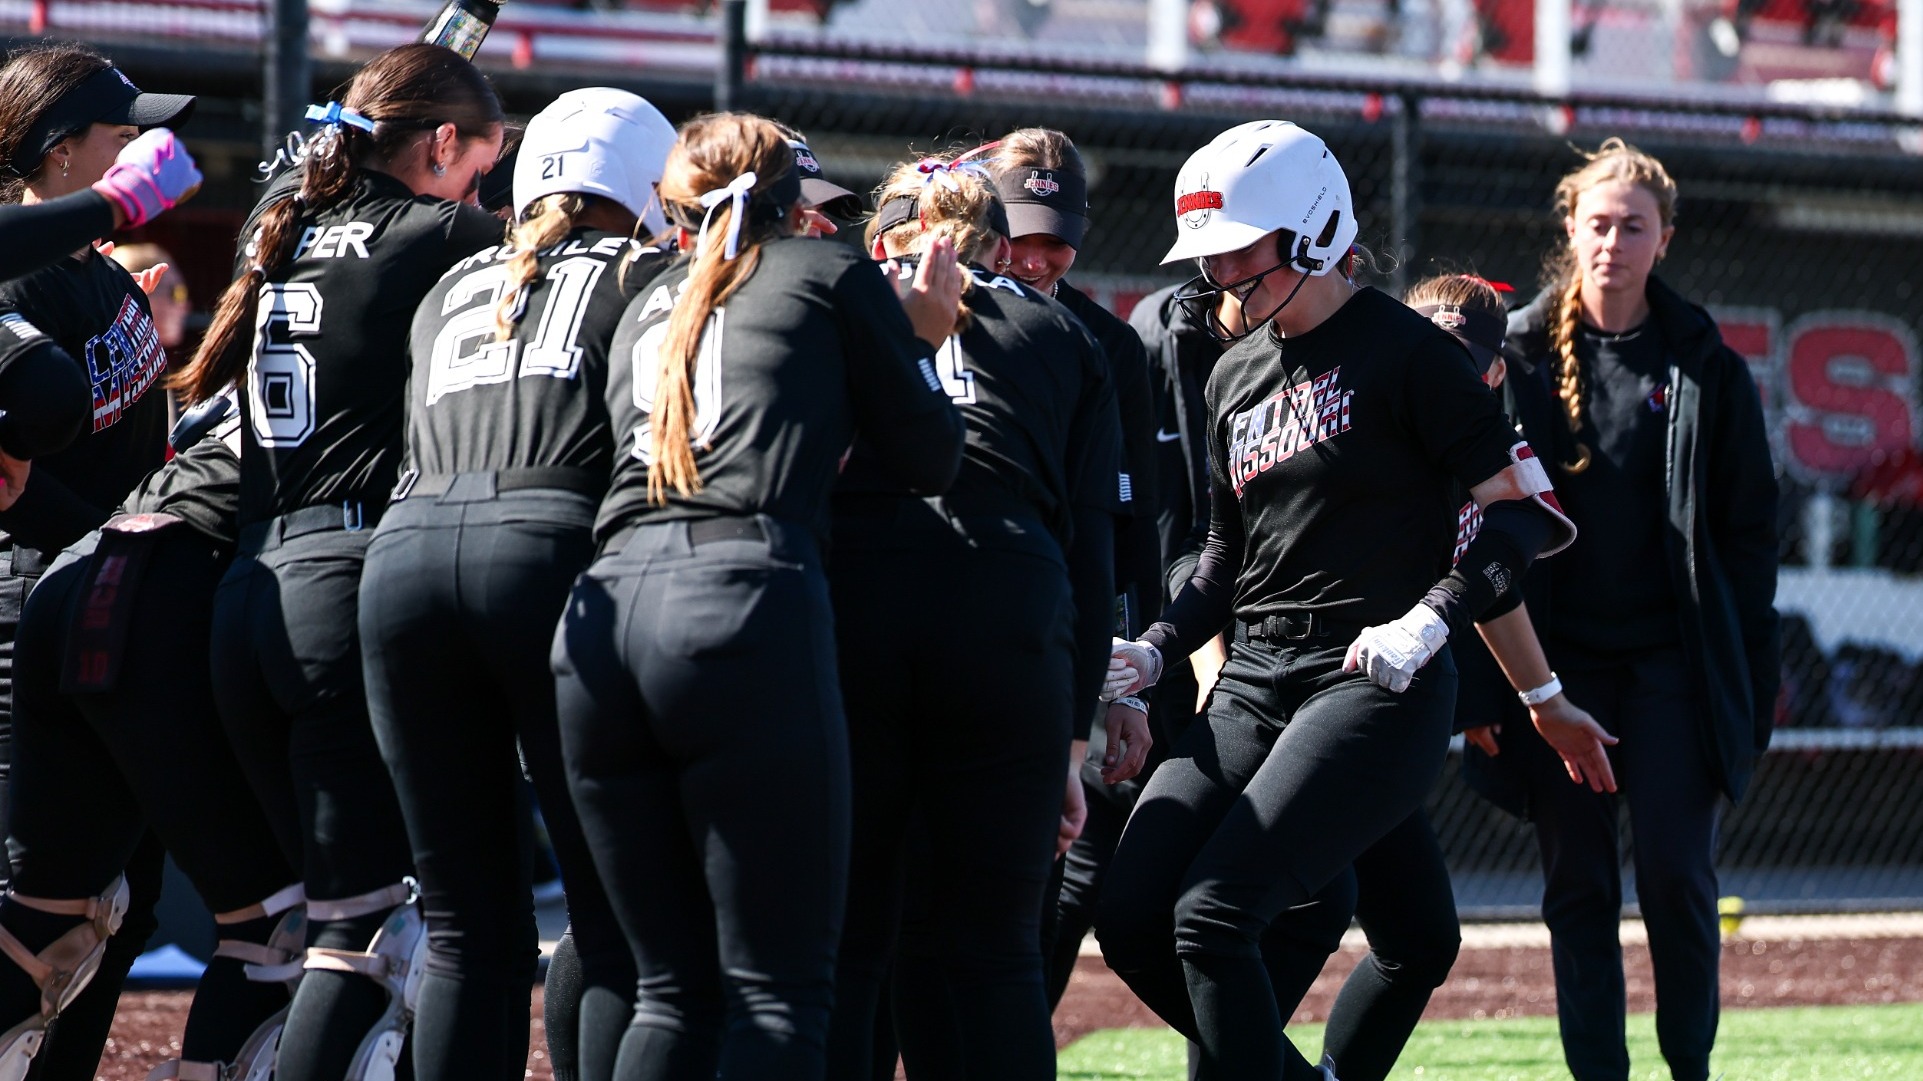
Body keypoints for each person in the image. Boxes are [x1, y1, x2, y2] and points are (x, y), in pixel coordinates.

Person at [1091, 119, 1576, 1080]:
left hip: (1371, 678)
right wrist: (1153, 646)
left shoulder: (1412, 355)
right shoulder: (1230, 370)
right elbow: (1225, 555)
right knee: (1131, 910)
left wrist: (1431, 613)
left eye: (1238, 252)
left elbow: (1525, 521)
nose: (1220, 276)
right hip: (1256, 677)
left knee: (1214, 914)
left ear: (1312, 231)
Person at [551, 112, 965, 1081]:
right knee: (777, 992)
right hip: (738, 603)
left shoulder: (644, 290)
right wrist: (924, 339)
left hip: (602, 622)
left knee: (670, 990)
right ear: (793, 204)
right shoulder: (827, 274)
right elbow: (931, 456)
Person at [169, 42, 505, 1081]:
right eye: (478, 165)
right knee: (364, 936)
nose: (481, 192)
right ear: (441, 143)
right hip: (337, 587)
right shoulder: (444, 230)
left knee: (308, 924)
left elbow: (310, 169)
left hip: (250, 595)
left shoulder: (287, 221)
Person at [358, 86, 675, 1081]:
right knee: (617, 918)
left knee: (462, 929)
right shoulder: (645, 272)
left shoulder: (454, 280)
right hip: (548, 552)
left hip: (402, 566)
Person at [824, 156, 1129, 1081]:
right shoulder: (1064, 329)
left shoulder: (839, 300)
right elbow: (1090, 556)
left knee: (849, 944)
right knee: (996, 953)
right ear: (1000, 245)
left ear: (887, 238)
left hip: (862, 593)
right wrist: (1070, 748)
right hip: (1008, 597)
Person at [1497, 137, 1779, 1081]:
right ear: (1570, 231)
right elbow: (1466, 524)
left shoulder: (1705, 366)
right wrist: (1491, 695)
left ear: (1663, 239)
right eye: (1597, 224)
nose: (1612, 241)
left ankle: (1688, 1066)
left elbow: (1746, 545)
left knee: (1674, 877)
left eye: (1633, 226)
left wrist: (1752, 680)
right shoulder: (1514, 357)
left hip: (1671, 670)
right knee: (1577, 889)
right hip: (1557, 670)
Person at [1, 390, 305, 1081]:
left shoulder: (256, 368)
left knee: (52, 926)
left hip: (80, 574)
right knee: (278, 931)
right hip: (167, 590)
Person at [0, 41, 195, 1079]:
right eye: (122, 131)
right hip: (37, 606)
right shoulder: (25, 271)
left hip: (118, 602)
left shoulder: (97, 271)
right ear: (60, 150)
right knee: (41, 903)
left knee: (128, 897)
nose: (145, 146)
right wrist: (118, 541)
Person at [0, 126, 200, 283]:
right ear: (62, 148)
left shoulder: (103, 277)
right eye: (125, 136)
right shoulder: (17, 288)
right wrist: (122, 196)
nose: (136, 150)